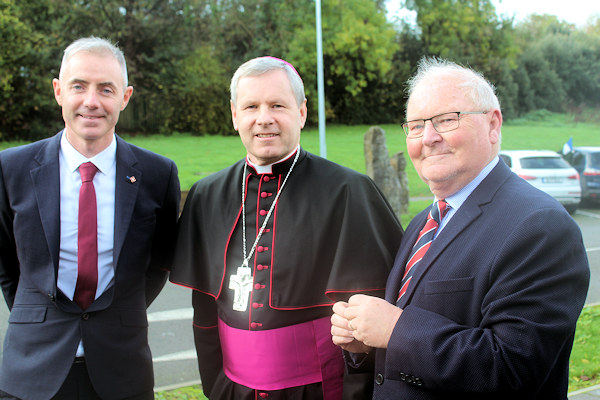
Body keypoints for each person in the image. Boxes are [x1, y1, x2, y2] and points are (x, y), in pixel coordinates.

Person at [331, 57, 590, 399]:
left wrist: (395, 329)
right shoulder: (422, 222)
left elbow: (514, 368)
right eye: (417, 125)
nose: (429, 137)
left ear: (493, 125)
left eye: (446, 120)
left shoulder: (540, 225)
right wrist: (366, 343)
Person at [169, 56, 402, 399]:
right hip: (233, 390)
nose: (264, 118)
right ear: (235, 115)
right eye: (251, 106)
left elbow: (371, 320)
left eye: (277, 104)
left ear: (302, 112)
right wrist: (217, 388)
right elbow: (204, 312)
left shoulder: (349, 191)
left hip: (321, 390)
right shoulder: (207, 195)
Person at [0, 37, 180, 399]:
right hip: (30, 370)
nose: (91, 101)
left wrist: (113, 311)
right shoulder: (11, 168)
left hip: (122, 370)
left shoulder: (157, 174)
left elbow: (159, 263)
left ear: (125, 97)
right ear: (58, 91)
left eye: (106, 89)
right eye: (79, 86)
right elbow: (8, 262)